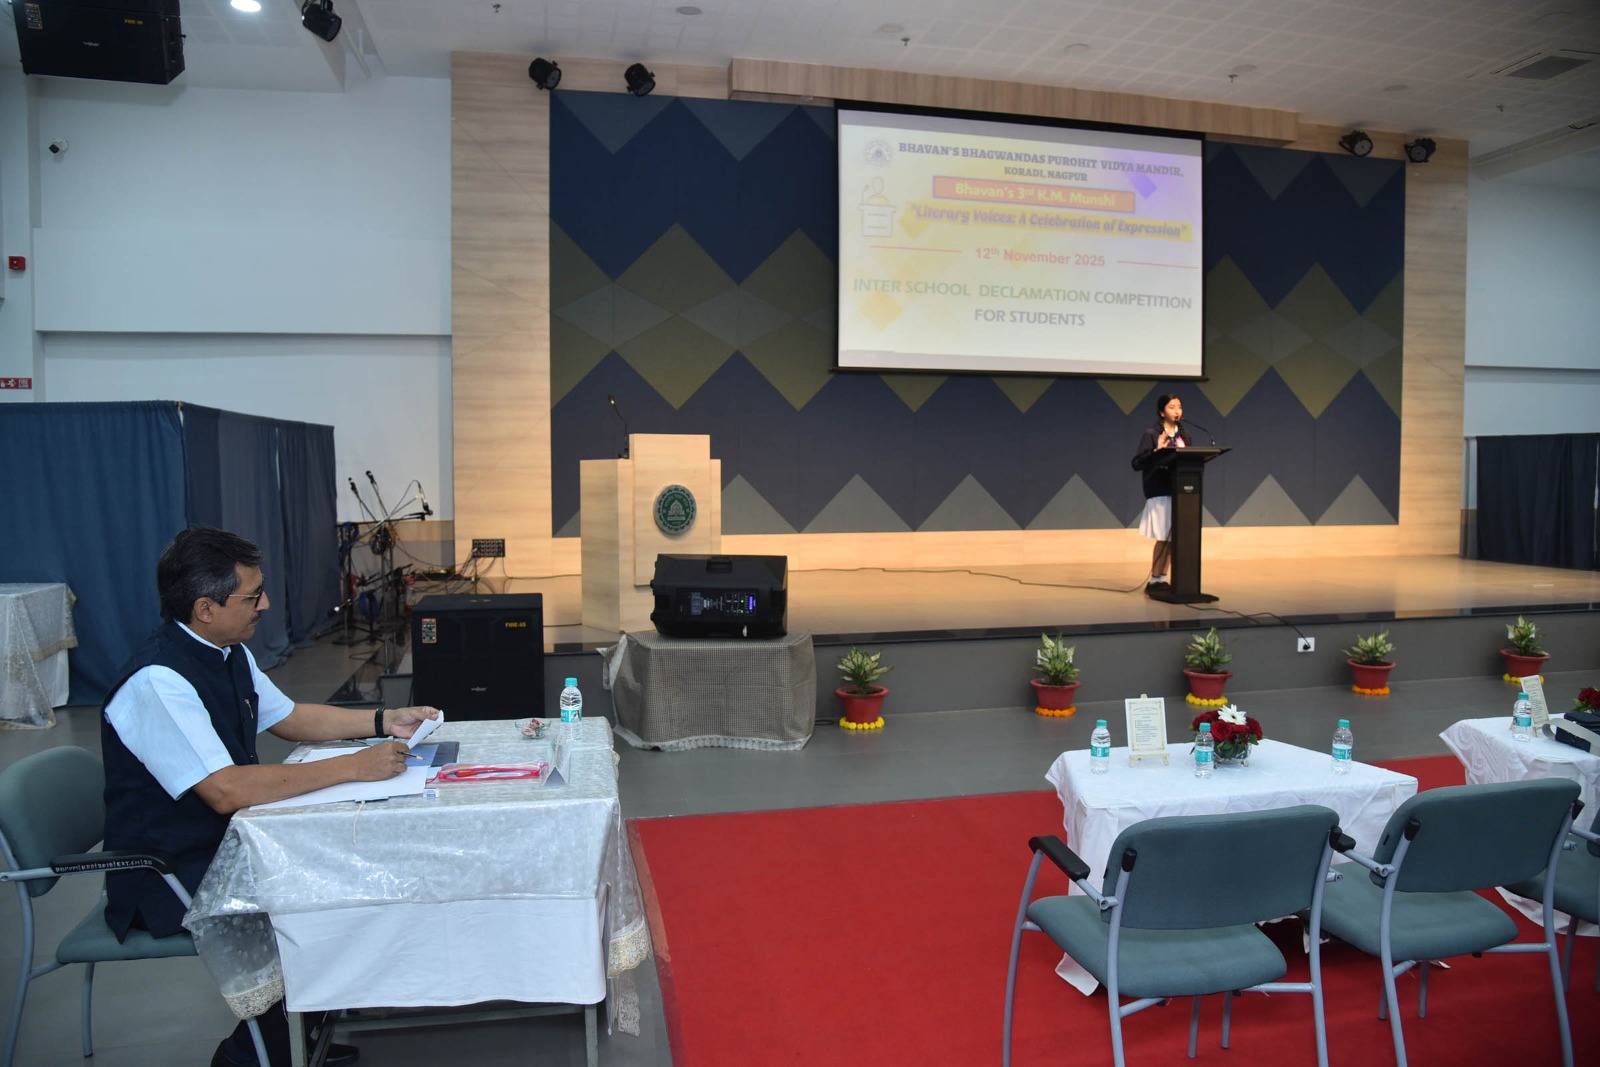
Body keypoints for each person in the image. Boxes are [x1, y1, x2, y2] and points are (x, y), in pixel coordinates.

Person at [101, 526, 439, 1067]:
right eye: (252, 596)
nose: (265, 605)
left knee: (354, 864)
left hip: (227, 842)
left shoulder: (226, 650)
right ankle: (252, 1054)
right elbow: (226, 790)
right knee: (329, 887)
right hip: (169, 869)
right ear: (205, 608)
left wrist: (384, 720)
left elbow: (290, 717)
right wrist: (354, 766)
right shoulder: (157, 682)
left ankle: (305, 1028)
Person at [1130, 393, 1186, 591]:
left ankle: (1163, 578)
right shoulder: (1152, 434)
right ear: (1162, 412)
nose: (1177, 411)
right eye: (1172, 407)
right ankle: (1154, 580)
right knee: (1163, 537)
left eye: (1179, 406)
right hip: (1159, 489)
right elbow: (1137, 463)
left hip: (1180, 491)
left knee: (1173, 538)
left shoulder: (1183, 435)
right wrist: (1157, 452)